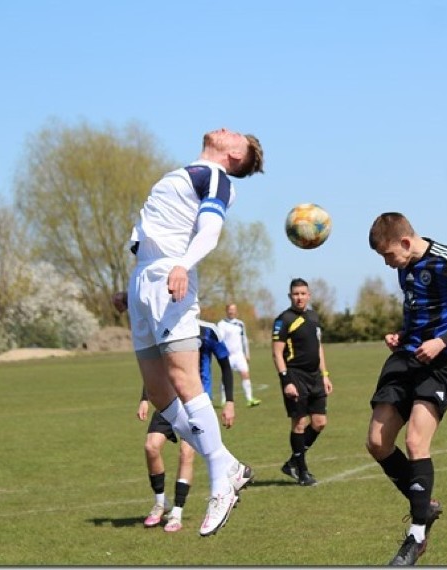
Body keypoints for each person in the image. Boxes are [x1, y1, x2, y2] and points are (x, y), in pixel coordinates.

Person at [125, 127, 264, 537]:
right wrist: (131, 287)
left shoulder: (215, 176)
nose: (224, 129)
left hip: (172, 275)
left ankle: (222, 483)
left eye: (234, 133)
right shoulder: (181, 174)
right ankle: (228, 464)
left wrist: (182, 264)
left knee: (186, 381)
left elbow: (209, 230)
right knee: (159, 392)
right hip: (142, 280)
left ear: (235, 154)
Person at [365, 213, 447, 566]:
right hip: (408, 356)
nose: (389, 265)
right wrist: (401, 335)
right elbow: (418, 310)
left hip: (445, 361)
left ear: (405, 242)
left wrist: (442, 342)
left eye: (389, 256)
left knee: (416, 442)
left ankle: (416, 536)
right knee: (377, 441)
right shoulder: (406, 268)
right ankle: (425, 506)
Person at [136, 319, 236, 533]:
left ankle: (177, 513)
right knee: (151, 446)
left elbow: (226, 367)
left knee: (186, 453)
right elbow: (155, 367)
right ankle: (160, 503)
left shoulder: (209, 331)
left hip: (195, 404)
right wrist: (145, 397)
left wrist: (229, 402)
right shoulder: (165, 326)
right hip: (167, 400)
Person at [272, 278, 333, 487]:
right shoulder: (284, 320)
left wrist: (324, 374)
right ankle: (302, 470)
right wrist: (286, 381)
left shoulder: (313, 317)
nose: (299, 297)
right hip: (295, 376)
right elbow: (277, 353)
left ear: (309, 295)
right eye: (295, 294)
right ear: (290, 296)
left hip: (315, 376)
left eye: (303, 293)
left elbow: (319, 347)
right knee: (299, 423)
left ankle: (292, 463)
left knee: (319, 423)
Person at [218, 303, 261, 407]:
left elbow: (244, 339)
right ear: (227, 311)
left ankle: (250, 399)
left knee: (245, 374)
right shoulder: (221, 324)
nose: (232, 312)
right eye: (230, 309)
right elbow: (220, 340)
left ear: (236, 311)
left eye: (234, 310)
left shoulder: (240, 324)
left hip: (239, 355)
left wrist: (247, 353)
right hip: (227, 356)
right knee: (225, 377)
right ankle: (223, 400)